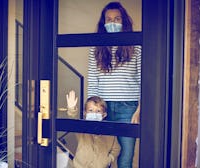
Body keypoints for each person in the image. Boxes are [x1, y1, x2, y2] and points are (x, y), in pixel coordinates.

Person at [87, 2, 141, 168]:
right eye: (109, 19)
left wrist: (140, 109)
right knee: (103, 156)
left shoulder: (136, 46)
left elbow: (143, 80)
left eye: (117, 19)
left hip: (129, 108)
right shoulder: (96, 48)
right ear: (103, 23)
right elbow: (93, 81)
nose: (112, 22)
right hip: (103, 109)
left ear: (123, 22)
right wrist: (92, 110)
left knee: (125, 158)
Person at [66, 90, 121, 168]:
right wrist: (71, 109)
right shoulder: (82, 128)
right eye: (90, 110)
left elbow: (116, 148)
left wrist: (108, 160)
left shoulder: (109, 132)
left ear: (104, 114)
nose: (94, 113)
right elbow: (72, 122)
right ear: (85, 113)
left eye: (98, 111)